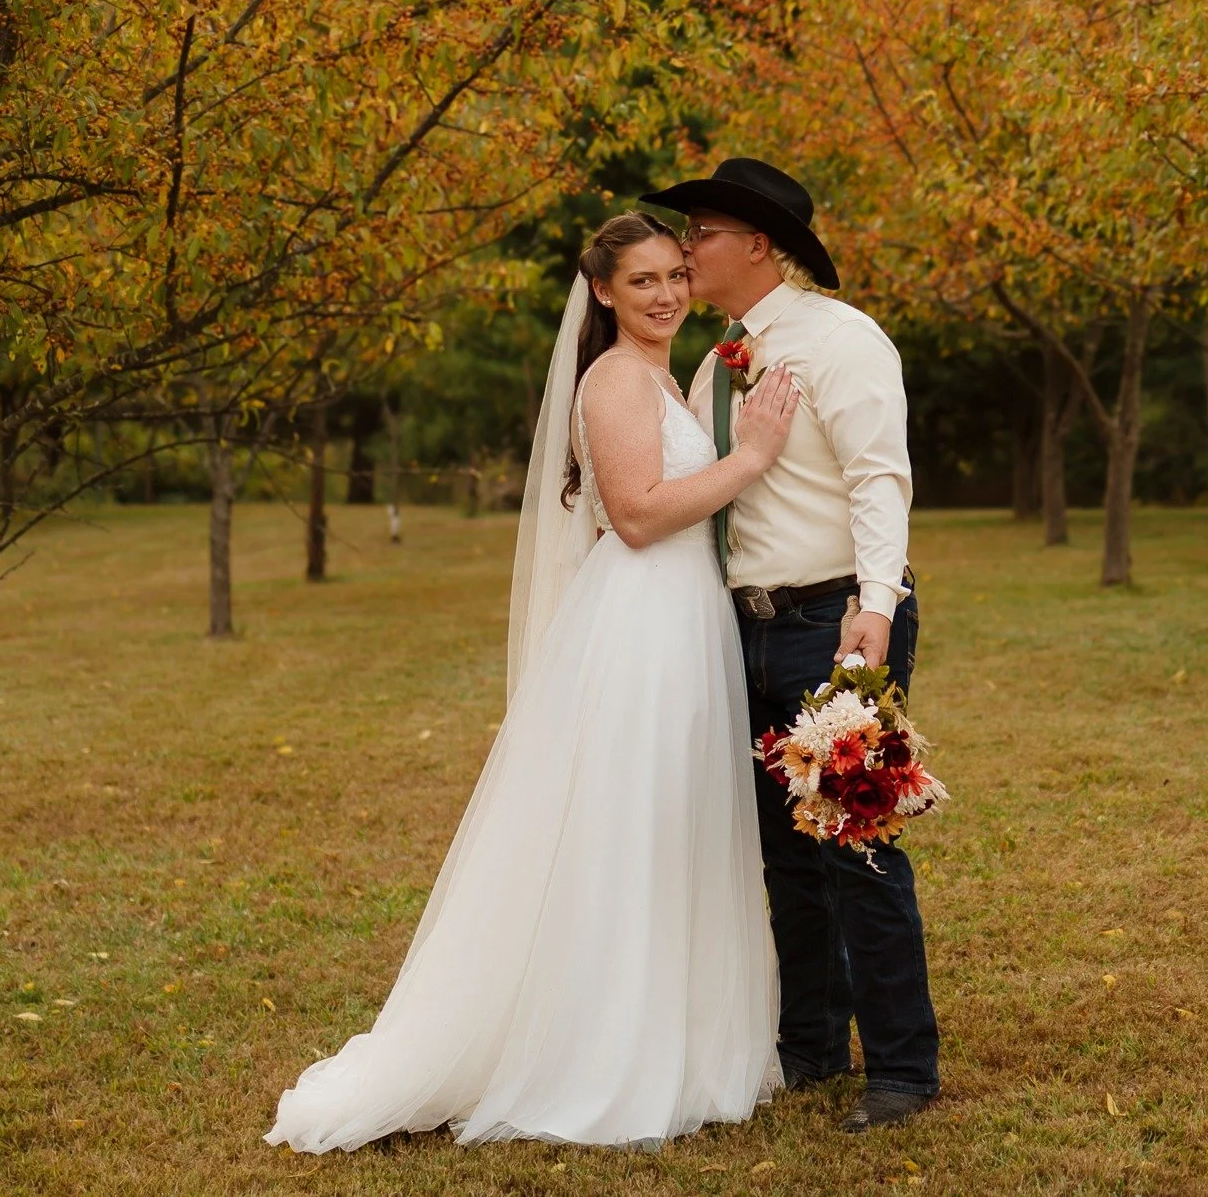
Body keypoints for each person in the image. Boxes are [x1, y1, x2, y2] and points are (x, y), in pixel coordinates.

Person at [265, 211, 801, 1151]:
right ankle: (605, 1053)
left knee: (670, 822)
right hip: (643, 627)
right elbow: (636, 516)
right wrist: (749, 457)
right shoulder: (615, 380)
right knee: (631, 825)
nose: (668, 293)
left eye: (677, 273)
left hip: (679, 619)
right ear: (602, 291)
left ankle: (675, 1034)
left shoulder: (658, 375)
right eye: (643, 281)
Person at [641, 158, 941, 1133]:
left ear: (758, 244)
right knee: (784, 855)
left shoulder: (839, 340)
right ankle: (810, 1045)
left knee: (854, 846)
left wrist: (874, 604)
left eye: (703, 233)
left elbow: (878, 478)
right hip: (743, 627)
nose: (685, 251)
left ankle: (900, 1068)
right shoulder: (714, 358)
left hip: (834, 621)